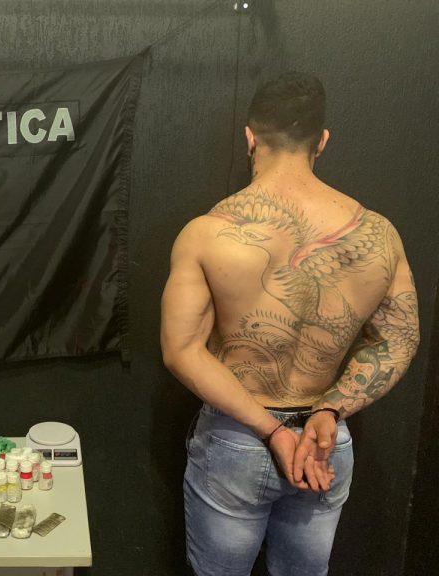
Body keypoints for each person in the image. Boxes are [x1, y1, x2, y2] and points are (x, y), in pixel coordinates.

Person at [160, 72, 419, 576]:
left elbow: (181, 351)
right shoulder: (379, 233)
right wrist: (330, 409)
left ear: (250, 137)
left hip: (239, 437)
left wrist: (272, 431)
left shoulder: (207, 233)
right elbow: (398, 340)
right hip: (323, 442)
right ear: (322, 141)